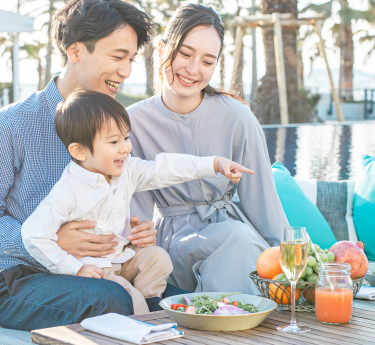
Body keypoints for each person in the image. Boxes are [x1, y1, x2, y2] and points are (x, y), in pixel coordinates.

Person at [0, 0, 162, 345]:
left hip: (98, 268)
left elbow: (121, 197)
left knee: (175, 295)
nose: (126, 71)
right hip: (21, 279)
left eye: (130, 59)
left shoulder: (114, 127)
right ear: (75, 50)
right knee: (108, 300)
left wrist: (135, 232)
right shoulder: (9, 127)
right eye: (117, 56)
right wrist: (52, 241)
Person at [22, 89, 253, 314]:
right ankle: (148, 322)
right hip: (97, 269)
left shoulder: (127, 170)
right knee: (128, 298)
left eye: (126, 137)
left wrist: (214, 164)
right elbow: (33, 235)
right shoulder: (68, 190)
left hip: (122, 258)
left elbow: (163, 168)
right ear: (79, 151)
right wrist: (75, 267)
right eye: (113, 142)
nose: (124, 148)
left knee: (158, 257)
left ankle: (152, 302)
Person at [128, 3, 290, 296]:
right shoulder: (132, 122)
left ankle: (225, 326)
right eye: (185, 54)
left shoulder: (238, 116)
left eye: (207, 61)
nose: (193, 70)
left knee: (242, 242)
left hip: (231, 230)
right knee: (239, 241)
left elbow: (263, 200)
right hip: (173, 243)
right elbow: (134, 206)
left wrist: (290, 257)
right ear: (164, 49)